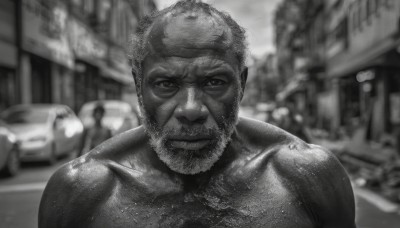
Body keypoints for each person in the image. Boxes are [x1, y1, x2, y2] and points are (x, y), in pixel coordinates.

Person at [39, 1, 356, 227]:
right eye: (166, 83)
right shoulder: (80, 191)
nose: (191, 109)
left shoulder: (307, 177)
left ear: (241, 84)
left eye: (214, 82)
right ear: (139, 86)